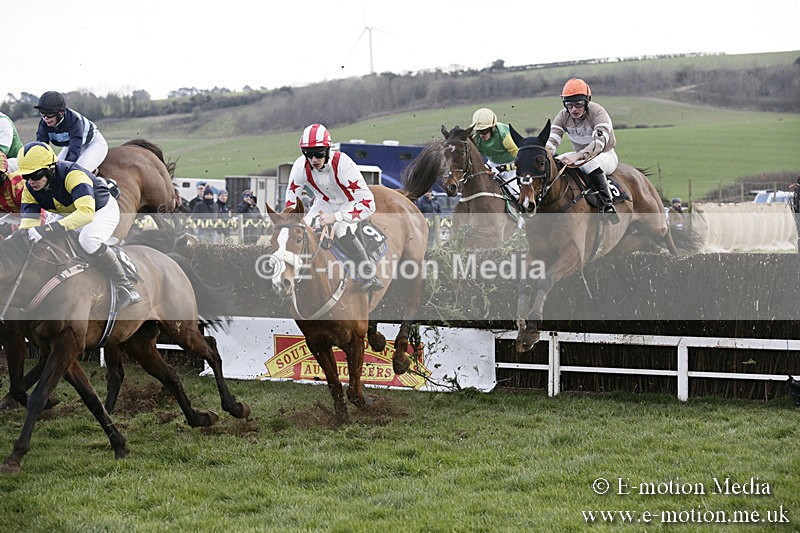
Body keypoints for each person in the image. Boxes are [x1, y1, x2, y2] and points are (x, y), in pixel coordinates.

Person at [16, 141, 140, 309]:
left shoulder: (73, 175)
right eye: (26, 176)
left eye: (36, 175)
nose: (30, 181)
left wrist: (48, 229)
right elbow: (28, 224)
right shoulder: (29, 190)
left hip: (99, 209)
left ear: (50, 169)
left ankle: (126, 286)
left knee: (88, 240)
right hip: (70, 213)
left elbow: (86, 213)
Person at [284, 123, 384, 292]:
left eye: (318, 154)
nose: (314, 160)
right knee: (301, 230)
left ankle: (368, 273)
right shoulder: (300, 166)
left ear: (328, 150)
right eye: (308, 154)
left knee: (340, 228)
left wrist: (336, 217)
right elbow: (291, 201)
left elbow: (369, 203)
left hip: (350, 202)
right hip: (324, 202)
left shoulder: (343, 164)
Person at [546, 78, 620, 224]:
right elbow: (552, 141)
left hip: (604, 154)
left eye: (578, 104)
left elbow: (598, 144)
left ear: (587, 101)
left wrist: (579, 156)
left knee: (588, 164)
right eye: (569, 104)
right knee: (555, 162)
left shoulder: (598, 112)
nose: (573, 109)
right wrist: (544, 154)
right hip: (579, 156)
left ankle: (607, 204)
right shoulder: (562, 116)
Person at [34, 91, 109, 173]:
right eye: (42, 114)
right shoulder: (43, 125)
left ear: (61, 113)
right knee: (54, 172)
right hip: (71, 145)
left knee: (76, 173)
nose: (45, 118)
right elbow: (40, 149)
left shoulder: (74, 121)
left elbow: (74, 153)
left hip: (94, 143)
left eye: (49, 114)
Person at [470, 107, 520, 200]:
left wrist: (503, 168)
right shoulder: (475, 138)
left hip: (513, 166)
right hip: (492, 163)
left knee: (515, 193)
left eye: (484, 131)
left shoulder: (504, 136)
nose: (482, 135)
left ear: (492, 127)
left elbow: (521, 160)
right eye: (479, 131)